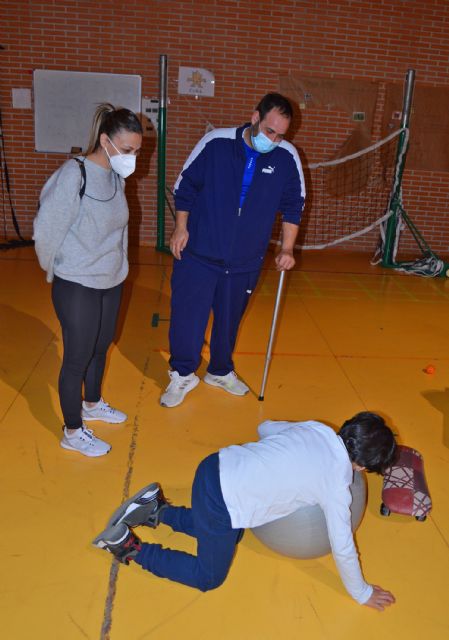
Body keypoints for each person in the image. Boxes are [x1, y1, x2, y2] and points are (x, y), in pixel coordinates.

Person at [93, 411, 397, 610]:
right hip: (221, 503)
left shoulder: (318, 429)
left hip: (214, 466)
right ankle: (129, 547)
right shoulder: (335, 485)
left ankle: (156, 512)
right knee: (209, 577)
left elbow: (264, 427)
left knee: (231, 535)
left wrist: (289, 454)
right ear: (362, 466)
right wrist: (362, 592)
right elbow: (342, 546)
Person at [160, 92, 305, 408]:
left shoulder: (286, 157)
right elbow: (186, 186)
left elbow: (294, 205)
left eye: (282, 134)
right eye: (270, 131)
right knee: (188, 317)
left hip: (245, 259)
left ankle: (220, 370)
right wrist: (181, 227)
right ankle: (183, 373)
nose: (275, 139)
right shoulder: (217, 143)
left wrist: (288, 248)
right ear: (255, 118)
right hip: (199, 251)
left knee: (229, 319)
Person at [33, 104, 143, 457]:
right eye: (127, 150)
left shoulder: (115, 176)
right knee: (77, 357)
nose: (133, 158)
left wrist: (120, 266)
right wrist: (56, 270)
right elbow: (46, 228)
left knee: (101, 346)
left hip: (110, 278)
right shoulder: (73, 174)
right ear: (105, 141)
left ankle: (92, 404)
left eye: (137, 150)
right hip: (77, 281)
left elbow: (120, 228)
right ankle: (73, 430)